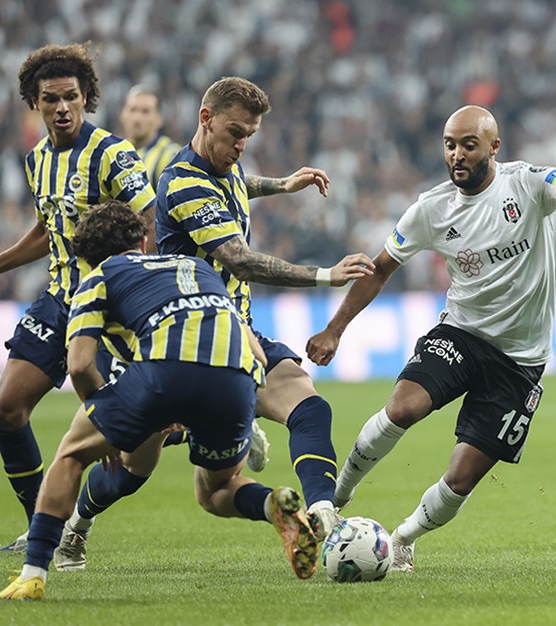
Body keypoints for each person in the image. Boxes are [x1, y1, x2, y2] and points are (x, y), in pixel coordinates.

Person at [53, 76, 374, 571]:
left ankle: (322, 515)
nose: (241, 144)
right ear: (205, 120)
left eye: (249, 135)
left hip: (238, 336)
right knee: (140, 470)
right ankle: (78, 523)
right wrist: (327, 275)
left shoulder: (227, 166)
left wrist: (282, 184)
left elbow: (239, 184)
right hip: (179, 346)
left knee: (309, 407)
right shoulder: (182, 183)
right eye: (234, 133)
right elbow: (239, 261)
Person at [305, 105, 556, 572]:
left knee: (463, 476)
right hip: (462, 332)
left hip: (520, 359)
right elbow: (380, 270)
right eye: (450, 145)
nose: (457, 154)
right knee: (402, 408)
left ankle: (403, 538)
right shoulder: (431, 209)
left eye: (468, 145)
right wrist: (335, 328)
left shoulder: (525, 183)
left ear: (494, 146)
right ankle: (336, 497)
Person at [0, 201, 318, 601]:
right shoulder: (196, 267)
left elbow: (79, 365)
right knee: (216, 490)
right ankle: (271, 504)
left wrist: (104, 418)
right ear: (144, 240)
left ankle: (33, 573)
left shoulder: (96, 280)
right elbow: (257, 354)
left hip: (163, 372)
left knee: (72, 454)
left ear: (86, 256)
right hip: (235, 377)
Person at [0, 43, 156, 553]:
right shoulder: (37, 158)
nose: (62, 107)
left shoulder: (112, 153)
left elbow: (150, 220)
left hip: (111, 307)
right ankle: (42, 528)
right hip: (60, 298)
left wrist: (136, 285)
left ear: (87, 98)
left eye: (71, 97)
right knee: (6, 409)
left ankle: (86, 511)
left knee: (131, 448)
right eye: (50, 99)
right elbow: (47, 230)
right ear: (34, 103)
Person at [118, 85, 181, 188]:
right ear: (122, 115)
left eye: (145, 111)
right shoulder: (114, 153)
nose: (137, 119)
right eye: (132, 110)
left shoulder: (171, 156)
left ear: (159, 119)